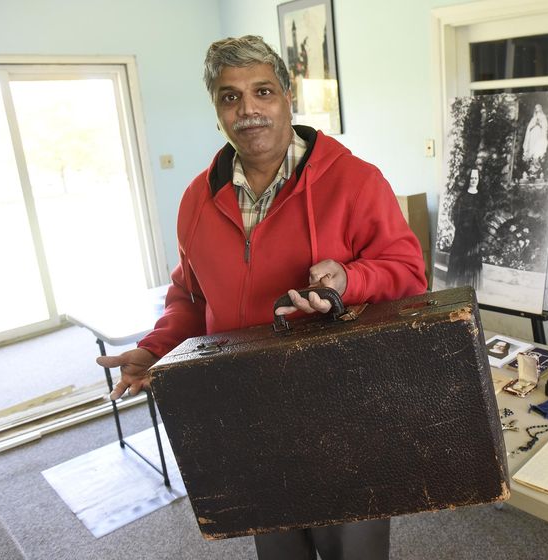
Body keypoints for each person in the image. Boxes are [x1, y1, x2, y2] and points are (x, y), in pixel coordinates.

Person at [96, 35, 426, 560]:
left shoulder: (356, 182)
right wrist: (156, 347)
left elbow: (409, 273)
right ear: (217, 110)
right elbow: (189, 295)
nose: (248, 110)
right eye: (230, 97)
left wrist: (348, 279)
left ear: (287, 97)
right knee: (278, 549)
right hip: (246, 413)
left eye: (262, 92)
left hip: (340, 409)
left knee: (353, 549)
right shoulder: (197, 200)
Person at [446, 167, 484, 288]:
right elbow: (455, 212)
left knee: (472, 257)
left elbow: (484, 214)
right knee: (459, 256)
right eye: (472, 178)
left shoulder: (481, 197)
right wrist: (460, 226)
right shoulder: (462, 196)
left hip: (474, 233)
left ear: (478, 180)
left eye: (475, 178)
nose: (473, 180)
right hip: (462, 233)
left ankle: (470, 284)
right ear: (469, 179)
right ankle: (457, 282)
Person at [521, 104, 548, 179]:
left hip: (539, 137)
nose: (537, 111)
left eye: (538, 109)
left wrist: (540, 124)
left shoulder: (543, 117)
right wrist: (534, 125)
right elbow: (529, 128)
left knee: (537, 153)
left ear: (541, 109)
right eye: (536, 109)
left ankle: (536, 170)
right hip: (533, 137)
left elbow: (545, 128)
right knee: (531, 151)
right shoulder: (533, 118)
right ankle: (530, 170)